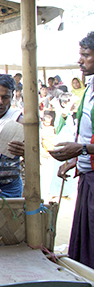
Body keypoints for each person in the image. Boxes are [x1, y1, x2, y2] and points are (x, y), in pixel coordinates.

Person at [49, 31, 94, 269]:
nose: (80, 61)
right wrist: (78, 159)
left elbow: (87, 141)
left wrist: (83, 149)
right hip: (88, 175)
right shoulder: (90, 88)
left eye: (85, 55)